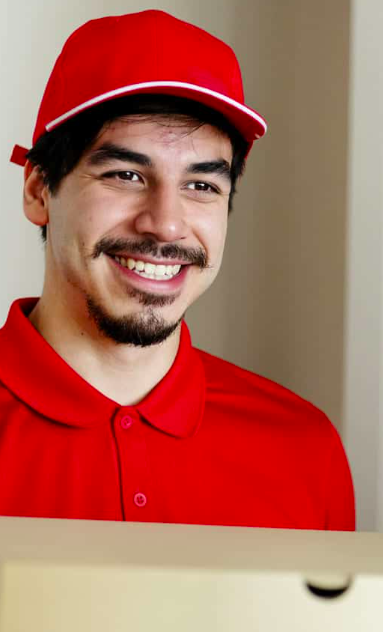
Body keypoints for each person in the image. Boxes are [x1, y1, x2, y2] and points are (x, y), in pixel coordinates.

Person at [0, 9, 355, 530]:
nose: (165, 225)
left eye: (202, 185)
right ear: (38, 191)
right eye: (125, 174)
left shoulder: (304, 446)